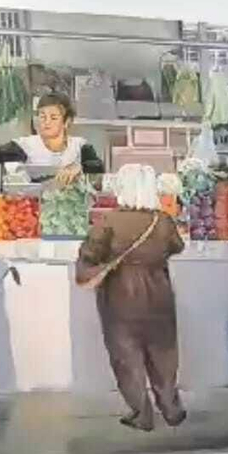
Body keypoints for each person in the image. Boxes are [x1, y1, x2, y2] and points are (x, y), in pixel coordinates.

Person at [76, 164, 187, 432]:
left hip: (120, 295)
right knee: (163, 353)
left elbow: (89, 254)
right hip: (158, 294)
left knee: (126, 357)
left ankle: (141, 414)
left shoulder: (109, 221)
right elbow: (177, 246)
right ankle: (171, 408)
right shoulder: (163, 221)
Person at [0, 93, 105, 186]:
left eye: (53, 118)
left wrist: (79, 168)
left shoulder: (79, 145)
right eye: (42, 117)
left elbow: (97, 167)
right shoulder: (25, 145)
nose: (46, 122)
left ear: (67, 122)